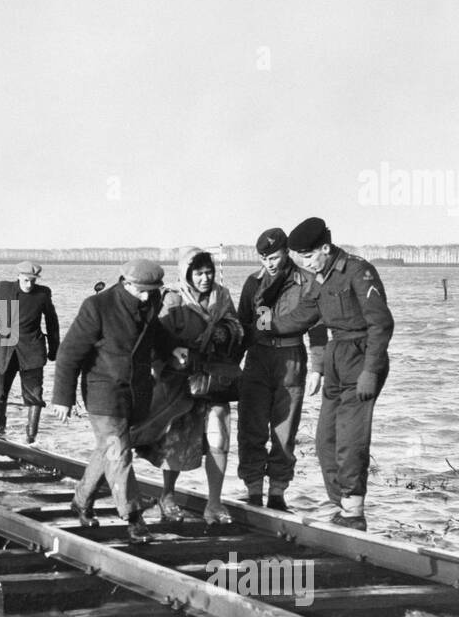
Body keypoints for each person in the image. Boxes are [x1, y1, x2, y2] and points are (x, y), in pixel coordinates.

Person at [265, 217, 394, 531]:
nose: (306, 264)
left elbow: (381, 324)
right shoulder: (320, 277)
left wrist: (371, 370)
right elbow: (307, 315)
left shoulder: (358, 271)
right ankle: (343, 507)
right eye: (301, 258)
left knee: (351, 440)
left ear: (326, 247)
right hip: (337, 356)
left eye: (309, 256)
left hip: (361, 355)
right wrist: (269, 324)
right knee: (325, 441)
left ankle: (354, 513)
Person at [51, 259, 169, 541]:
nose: (147, 296)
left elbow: (157, 336)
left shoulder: (150, 303)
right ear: (126, 283)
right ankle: (134, 517)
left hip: (135, 393)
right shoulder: (97, 307)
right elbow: (68, 354)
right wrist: (63, 399)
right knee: (119, 451)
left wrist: (173, 350)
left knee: (110, 449)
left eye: (152, 291)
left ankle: (80, 501)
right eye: (142, 291)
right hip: (102, 392)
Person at [136, 248, 243, 526]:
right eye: (199, 273)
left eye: (209, 272)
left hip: (214, 380)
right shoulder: (172, 298)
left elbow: (237, 328)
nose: (205, 278)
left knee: (219, 439)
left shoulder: (223, 296)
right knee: (175, 439)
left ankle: (214, 502)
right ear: (186, 274)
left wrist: (225, 332)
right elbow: (156, 338)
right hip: (180, 381)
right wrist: (168, 358)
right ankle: (167, 495)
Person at [236, 228, 328, 511]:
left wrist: (317, 369)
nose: (270, 264)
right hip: (258, 357)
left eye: (274, 257)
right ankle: (253, 491)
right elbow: (243, 325)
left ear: (287, 252)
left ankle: (277, 494)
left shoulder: (308, 281)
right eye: (264, 258)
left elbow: (318, 327)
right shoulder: (254, 282)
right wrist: (230, 366)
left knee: (285, 431)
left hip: (290, 357)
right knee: (251, 427)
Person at [0, 260, 60, 442]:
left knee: (34, 396)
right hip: (5, 350)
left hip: (32, 353)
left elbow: (52, 322)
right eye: (26, 280)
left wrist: (54, 348)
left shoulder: (42, 294)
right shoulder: (3, 289)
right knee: (0, 392)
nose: (29, 285)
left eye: (33, 281)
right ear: (19, 276)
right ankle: (0, 431)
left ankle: (30, 439)